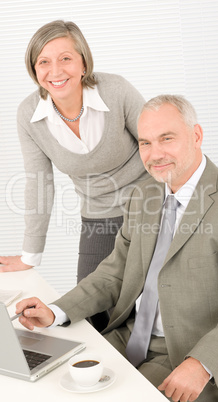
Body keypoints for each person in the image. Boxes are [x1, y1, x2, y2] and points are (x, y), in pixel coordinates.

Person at [16, 95, 218, 401]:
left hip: (186, 352)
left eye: (167, 138)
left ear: (197, 135)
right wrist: (56, 310)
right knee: (49, 381)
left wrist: (201, 365)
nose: (155, 153)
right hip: (126, 337)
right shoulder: (143, 195)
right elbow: (116, 271)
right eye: (146, 143)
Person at [0, 20, 149, 328]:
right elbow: (39, 182)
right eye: (44, 61)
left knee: (159, 301)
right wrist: (31, 254)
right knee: (92, 309)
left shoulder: (116, 90)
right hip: (99, 216)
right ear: (34, 69)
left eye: (65, 58)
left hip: (151, 205)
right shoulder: (29, 115)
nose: (55, 71)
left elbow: (159, 145)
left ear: (83, 62)